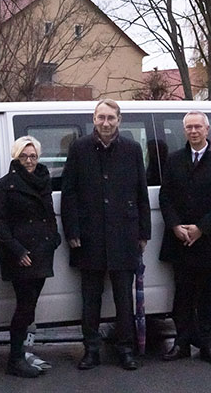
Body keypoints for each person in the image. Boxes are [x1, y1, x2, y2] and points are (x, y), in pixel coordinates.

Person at [61, 99, 150, 371]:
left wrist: (144, 232)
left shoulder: (132, 150)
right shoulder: (79, 148)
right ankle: (91, 349)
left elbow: (141, 193)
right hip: (89, 237)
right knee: (90, 299)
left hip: (125, 234)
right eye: (101, 117)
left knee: (124, 298)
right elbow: (69, 194)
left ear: (119, 120)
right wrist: (72, 231)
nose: (106, 123)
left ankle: (125, 349)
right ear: (94, 119)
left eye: (111, 118)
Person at [158, 111, 211, 364]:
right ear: (184, 131)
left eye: (197, 127)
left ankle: (208, 346)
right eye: (189, 127)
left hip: (208, 240)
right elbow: (165, 197)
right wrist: (176, 225)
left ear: (207, 130)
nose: (193, 131)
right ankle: (181, 343)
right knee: (183, 296)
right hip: (180, 241)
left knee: (209, 297)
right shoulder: (174, 160)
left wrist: (201, 228)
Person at [0, 136, 62, 378]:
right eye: (24, 156)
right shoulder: (5, 184)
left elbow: (49, 213)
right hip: (20, 254)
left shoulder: (43, 180)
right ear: (16, 157)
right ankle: (15, 359)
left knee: (30, 306)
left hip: (41, 251)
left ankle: (22, 355)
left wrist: (54, 239)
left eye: (33, 156)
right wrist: (17, 250)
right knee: (24, 307)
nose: (29, 161)